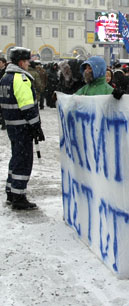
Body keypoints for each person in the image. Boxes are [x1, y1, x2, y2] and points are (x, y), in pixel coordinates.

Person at [0, 47, 45, 210]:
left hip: (12, 126)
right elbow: (28, 107)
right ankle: (19, 196)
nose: (28, 64)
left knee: (16, 158)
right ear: (21, 62)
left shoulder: (6, 78)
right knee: (24, 161)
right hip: (22, 127)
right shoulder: (21, 79)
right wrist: (36, 126)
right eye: (27, 61)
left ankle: (11, 192)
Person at [0, 57, 8, 129]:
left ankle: (4, 124)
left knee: (3, 109)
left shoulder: (6, 72)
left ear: (4, 63)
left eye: (0, 62)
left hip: (4, 92)